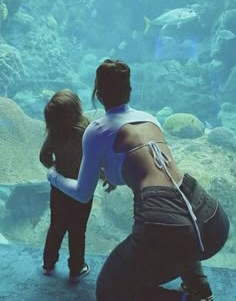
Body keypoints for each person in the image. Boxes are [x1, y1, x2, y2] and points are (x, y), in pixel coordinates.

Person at [47, 60, 230, 300]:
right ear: (129, 90)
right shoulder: (150, 119)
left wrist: (54, 177)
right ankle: (198, 285)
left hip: (164, 223)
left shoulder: (96, 130)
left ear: (98, 94)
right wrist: (110, 174)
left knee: (109, 290)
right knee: (183, 230)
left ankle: (187, 299)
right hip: (211, 216)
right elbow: (143, 166)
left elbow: (83, 193)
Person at [40, 89, 92, 281]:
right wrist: (106, 176)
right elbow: (96, 159)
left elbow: (44, 156)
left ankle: (48, 263)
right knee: (78, 229)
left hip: (59, 189)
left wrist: (54, 167)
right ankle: (76, 268)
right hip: (82, 187)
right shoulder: (87, 129)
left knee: (56, 226)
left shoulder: (54, 131)